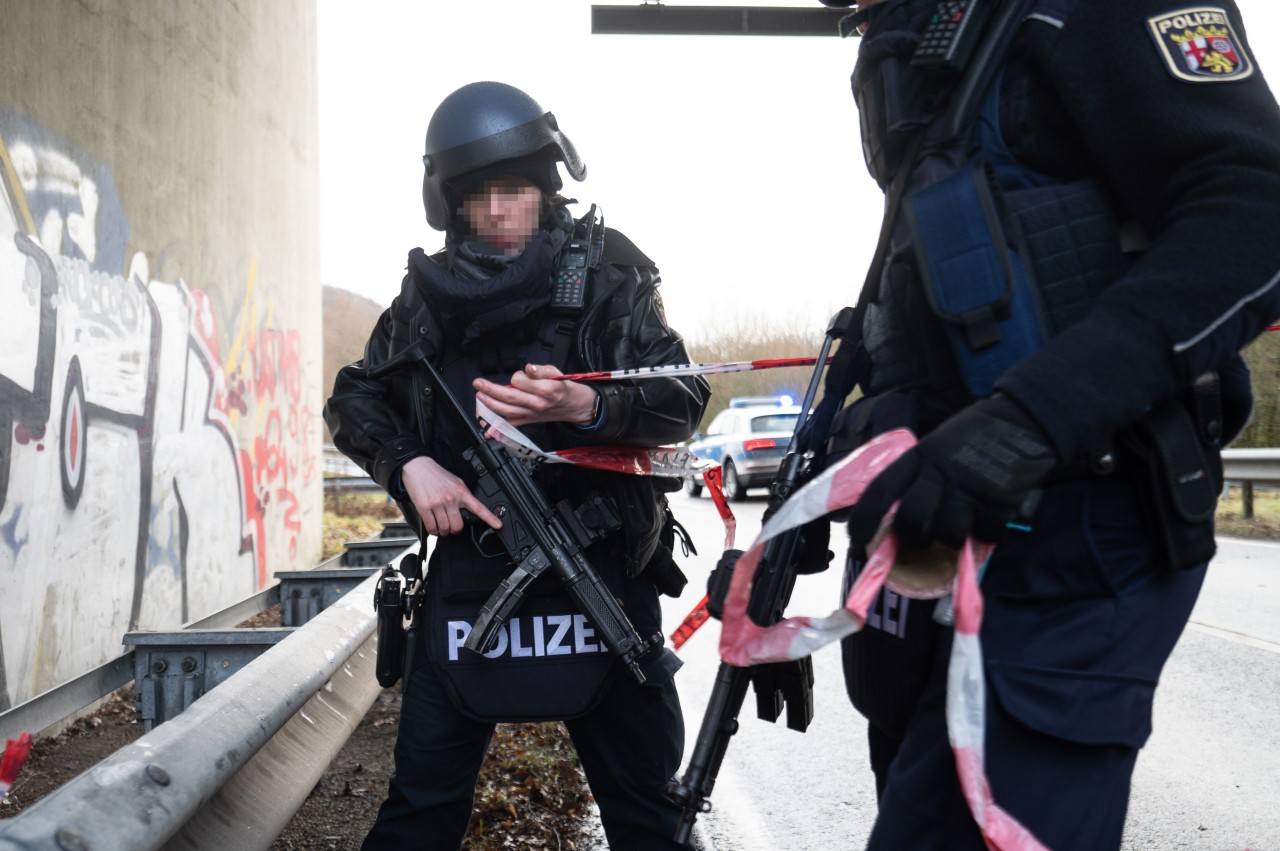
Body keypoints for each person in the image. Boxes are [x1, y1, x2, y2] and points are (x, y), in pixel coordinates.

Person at [805, 0, 1280, 848]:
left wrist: (1029, 419)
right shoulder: (942, 35)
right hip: (949, 526)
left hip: (1083, 521)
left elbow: (1255, 209)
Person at [324, 80, 709, 850]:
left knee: (652, 820)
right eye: (478, 196)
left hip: (603, 580)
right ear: (450, 204)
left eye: (515, 190)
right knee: (418, 815)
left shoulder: (610, 277)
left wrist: (585, 408)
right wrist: (409, 467)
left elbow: (682, 395)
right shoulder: (425, 298)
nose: (497, 211)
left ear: (545, 187)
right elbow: (354, 398)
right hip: (471, 578)